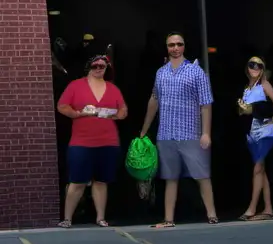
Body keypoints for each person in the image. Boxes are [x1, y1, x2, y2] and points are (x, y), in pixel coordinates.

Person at [138, 32, 219, 227]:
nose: (175, 48)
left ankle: (212, 214)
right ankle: (168, 218)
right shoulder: (161, 72)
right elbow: (154, 99)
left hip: (191, 132)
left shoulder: (196, 72)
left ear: (184, 46)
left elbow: (206, 104)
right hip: (166, 133)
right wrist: (144, 129)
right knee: (170, 177)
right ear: (166, 47)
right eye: (171, 45)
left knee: (201, 175)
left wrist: (206, 132)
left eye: (179, 44)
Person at [55, 51, 127, 227]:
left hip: (108, 140)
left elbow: (123, 110)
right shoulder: (75, 86)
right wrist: (77, 114)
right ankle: (67, 218)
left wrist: (117, 116)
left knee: (101, 181)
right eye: (95, 66)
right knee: (77, 181)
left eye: (102, 66)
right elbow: (62, 106)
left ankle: (100, 217)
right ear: (89, 67)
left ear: (106, 68)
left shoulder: (113, 88)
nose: (98, 69)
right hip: (81, 141)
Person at [237, 55, 273, 221]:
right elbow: (243, 112)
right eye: (251, 65)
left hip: (264, 132)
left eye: (258, 66)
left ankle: (251, 208)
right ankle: (268, 208)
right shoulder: (247, 88)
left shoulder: (265, 85)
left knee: (257, 168)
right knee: (261, 171)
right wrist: (243, 109)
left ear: (262, 69)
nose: (255, 69)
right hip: (252, 132)